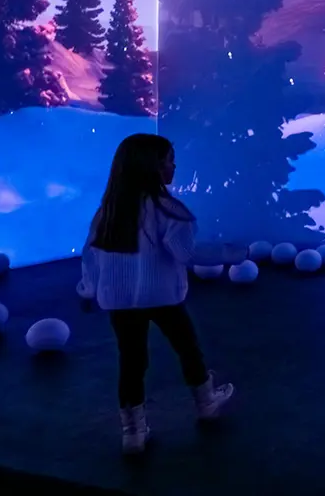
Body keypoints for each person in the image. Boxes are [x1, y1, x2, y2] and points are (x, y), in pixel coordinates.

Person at [79, 133, 235, 455]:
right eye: (169, 161)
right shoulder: (170, 212)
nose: (174, 166)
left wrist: (88, 288)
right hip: (164, 297)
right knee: (188, 349)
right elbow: (187, 255)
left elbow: (91, 256)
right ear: (152, 167)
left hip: (119, 302)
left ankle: (132, 432)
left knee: (132, 361)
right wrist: (233, 252)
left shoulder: (108, 212)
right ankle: (206, 403)